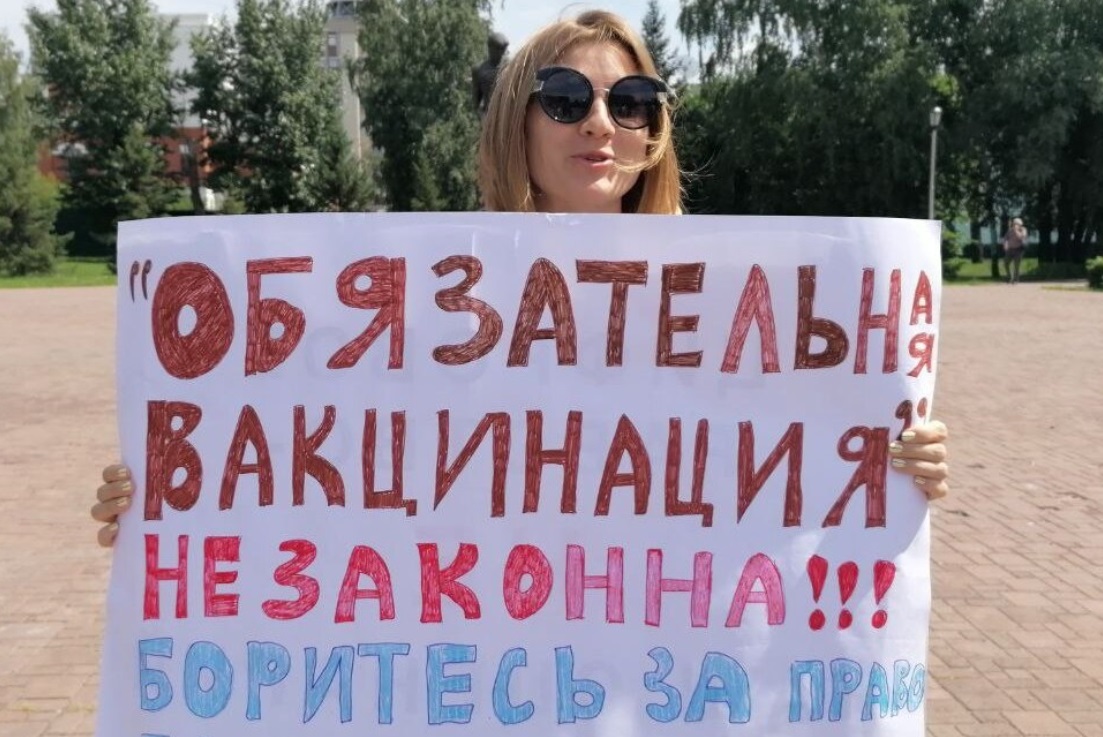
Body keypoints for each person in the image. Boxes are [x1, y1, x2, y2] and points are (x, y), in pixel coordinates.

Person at [91, 10, 950, 546]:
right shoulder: (436, 298)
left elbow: (785, 463)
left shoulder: (728, 303)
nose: (601, 123)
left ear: (653, 129)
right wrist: (167, 492)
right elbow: (334, 455)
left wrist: (899, 462)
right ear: (517, 121)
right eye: (566, 98)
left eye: (630, 101)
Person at [472, 31, 509, 119]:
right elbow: (476, 101)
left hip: (507, 115)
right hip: (488, 116)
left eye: (503, 49)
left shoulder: (510, 68)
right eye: (499, 49)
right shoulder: (479, 70)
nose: (501, 53)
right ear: (490, 48)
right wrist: (482, 117)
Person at [1002, 217, 1028, 284]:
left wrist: (1016, 231)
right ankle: (1009, 277)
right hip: (1010, 249)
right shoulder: (1010, 230)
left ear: (1020, 225)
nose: (1014, 225)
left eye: (1016, 224)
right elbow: (1005, 238)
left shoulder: (1023, 230)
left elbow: (1021, 237)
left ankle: (1016, 279)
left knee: (1016, 265)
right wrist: (1005, 244)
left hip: (1019, 250)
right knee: (1006, 263)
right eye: (1014, 224)